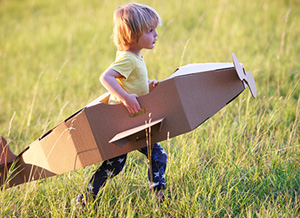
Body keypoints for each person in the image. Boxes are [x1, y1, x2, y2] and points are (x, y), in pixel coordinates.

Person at [76, 3, 167, 207]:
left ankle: (159, 196)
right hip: (125, 123)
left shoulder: (135, 57)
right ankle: (85, 199)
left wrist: (147, 86)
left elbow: (130, 81)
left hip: (133, 122)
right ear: (133, 34)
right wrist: (125, 97)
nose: (156, 34)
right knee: (125, 163)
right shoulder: (128, 58)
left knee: (147, 157)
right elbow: (106, 77)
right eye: (150, 30)